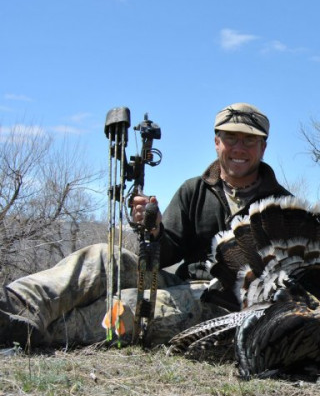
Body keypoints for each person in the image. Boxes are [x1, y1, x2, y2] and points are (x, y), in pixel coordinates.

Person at [0, 102, 291, 350]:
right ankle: (13, 307)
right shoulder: (195, 190)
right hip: (185, 283)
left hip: (230, 305)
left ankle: (32, 334)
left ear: (263, 147)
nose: (238, 148)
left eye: (249, 140)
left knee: (129, 303)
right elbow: (165, 255)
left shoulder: (284, 207)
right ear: (217, 142)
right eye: (231, 138)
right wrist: (154, 232)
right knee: (103, 255)